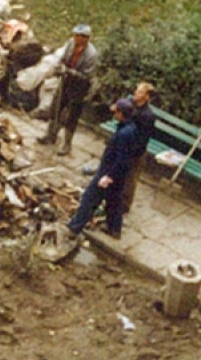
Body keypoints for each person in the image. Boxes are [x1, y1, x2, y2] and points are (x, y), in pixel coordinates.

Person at [66, 96, 141, 241]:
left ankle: (74, 228)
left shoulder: (125, 134)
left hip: (109, 172)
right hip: (118, 174)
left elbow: (122, 159)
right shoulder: (129, 128)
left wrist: (108, 176)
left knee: (89, 199)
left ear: (121, 114)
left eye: (116, 112)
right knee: (114, 201)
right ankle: (114, 229)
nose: (114, 114)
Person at [38, 23, 98, 155]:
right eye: (75, 35)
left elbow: (86, 76)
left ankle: (67, 144)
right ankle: (50, 135)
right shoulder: (71, 43)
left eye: (78, 36)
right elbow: (64, 58)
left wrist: (70, 71)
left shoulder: (91, 55)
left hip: (80, 87)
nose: (75, 38)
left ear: (85, 38)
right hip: (66, 82)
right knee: (56, 107)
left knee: (71, 116)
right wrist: (60, 66)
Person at [115, 82, 158, 219]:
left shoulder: (147, 116)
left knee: (130, 178)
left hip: (135, 150)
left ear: (146, 97)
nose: (135, 93)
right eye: (136, 90)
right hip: (124, 145)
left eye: (139, 92)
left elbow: (143, 138)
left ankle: (125, 205)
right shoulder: (130, 105)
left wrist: (133, 151)